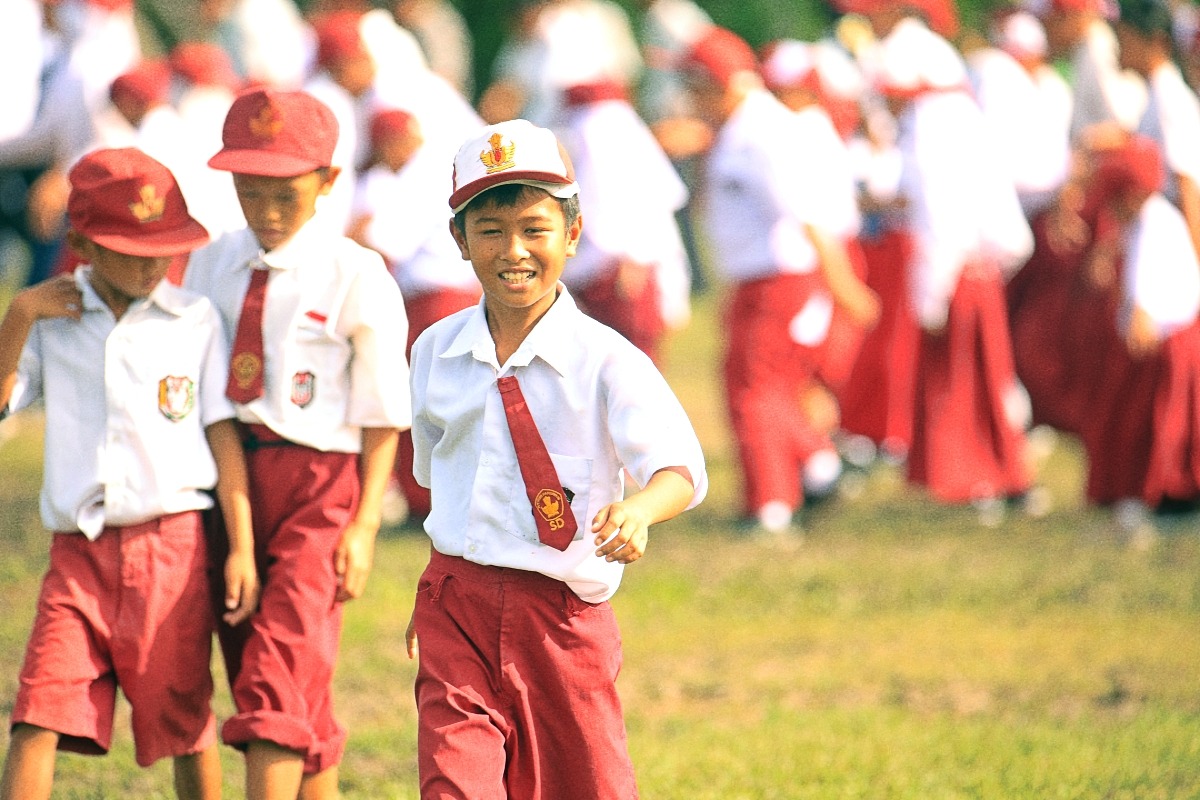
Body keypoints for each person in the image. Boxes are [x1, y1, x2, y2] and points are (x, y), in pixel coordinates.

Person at [403, 118, 707, 798]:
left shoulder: (607, 361)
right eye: (490, 230)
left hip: (563, 620)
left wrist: (639, 510)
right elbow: (437, 480)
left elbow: (681, 469)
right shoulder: (432, 352)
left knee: (585, 785)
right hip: (457, 610)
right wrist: (437, 590)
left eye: (535, 228)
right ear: (459, 239)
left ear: (572, 234)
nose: (514, 250)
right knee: (455, 784)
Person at [0, 147, 259, 800]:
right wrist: (18, 314)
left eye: (163, 246)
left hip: (169, 549)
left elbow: (221, 434)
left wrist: (242, 546)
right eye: (131, 247)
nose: (151, 263)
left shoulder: (194, 320)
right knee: (36, 713)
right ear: (83, 242)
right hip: (77, 556)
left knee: (184, 719)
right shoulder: (52, 320)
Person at [183, 87, 410, 800]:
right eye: (250, 192)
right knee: (263, 658)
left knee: (278, 670)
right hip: (225, 479)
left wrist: (366, 522)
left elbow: (381, 412)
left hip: (320, 484)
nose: (268, 211)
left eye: (286, 193)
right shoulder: (211, 263)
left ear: (328, 182)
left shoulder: (355, 273)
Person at [684, 26, 879, 534]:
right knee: (751, 385)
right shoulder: (743, 127)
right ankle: (818, 466)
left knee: (758, 391)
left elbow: (806, 213)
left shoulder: (759, 133)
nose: (689, 100)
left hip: (779, 280)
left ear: (720, 84)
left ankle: (772, 505)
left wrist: (842, 287)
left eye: (695, 87)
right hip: (759, 279)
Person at [348, 106, 481, 525]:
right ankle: (427, 497)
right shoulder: (399, 177)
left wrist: (359, 230)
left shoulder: (419, 179)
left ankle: (434, 498)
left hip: (439, 297)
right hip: (432, 297)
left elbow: (383, 242)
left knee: (434, 401)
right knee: (427, 401)